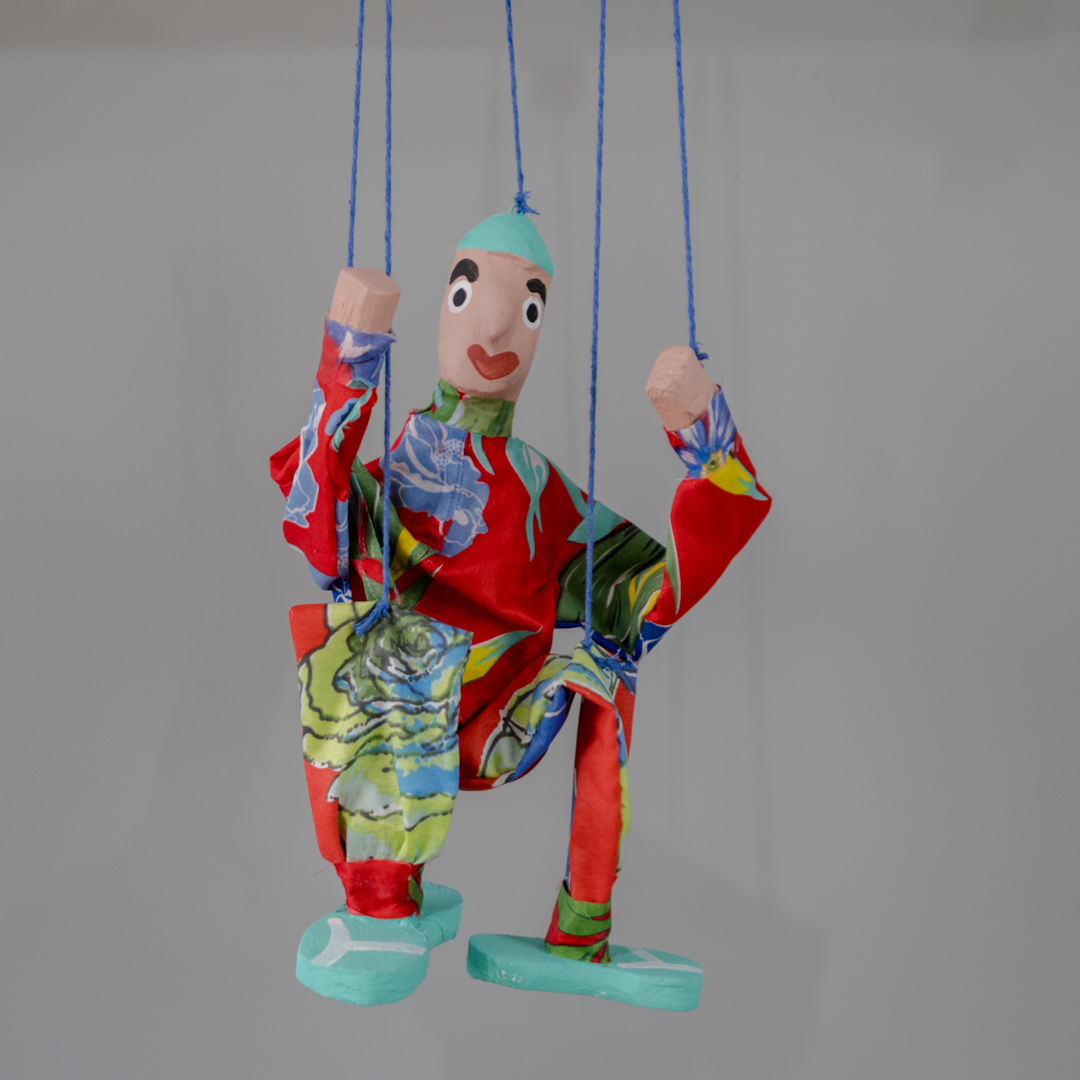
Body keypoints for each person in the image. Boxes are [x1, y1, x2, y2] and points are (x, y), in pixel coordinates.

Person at [270, 210, 770, 1004]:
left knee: (605, 675)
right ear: (442, 306)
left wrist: (706, 437)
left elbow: (650, 592)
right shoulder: (396, 467)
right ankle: (380, 898)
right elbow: (318, 528)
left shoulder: (543, 494)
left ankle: (582, 932)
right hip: (392, 715)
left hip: (500, 718)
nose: (498, 327)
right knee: (370, 639)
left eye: (529, 307)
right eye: (467, 294)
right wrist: (350, 351)